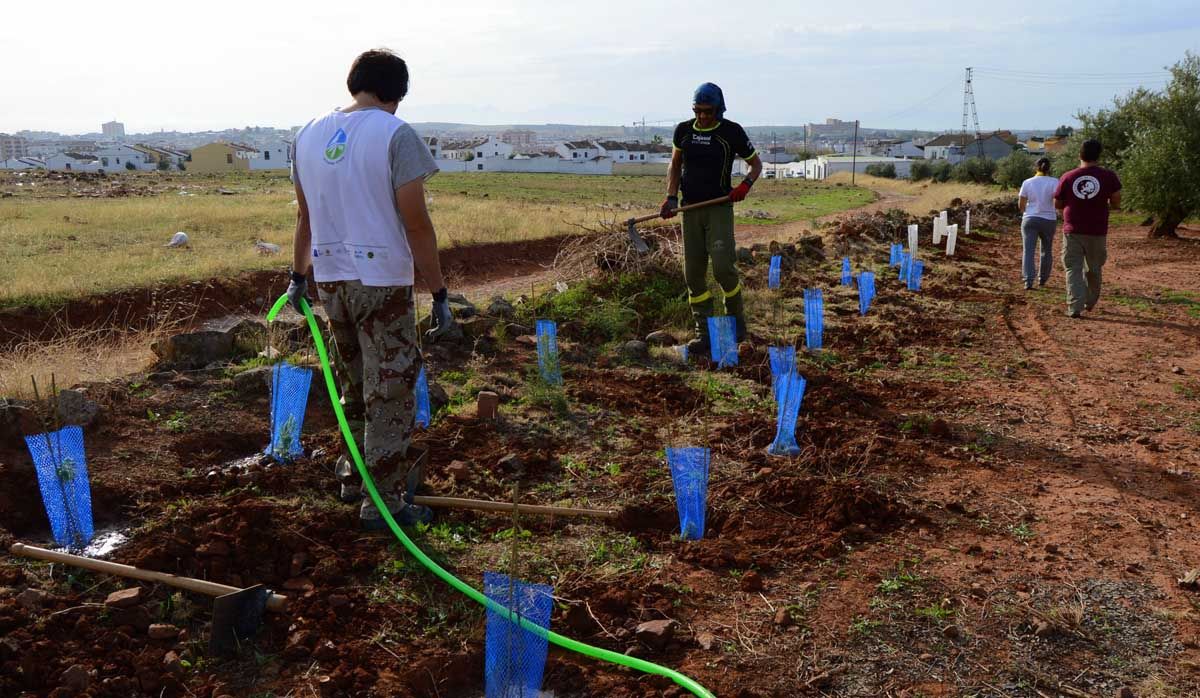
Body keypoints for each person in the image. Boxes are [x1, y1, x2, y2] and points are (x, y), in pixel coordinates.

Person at [287, 48, 458, 530]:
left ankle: (352, 477)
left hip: (330, 277)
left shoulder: (307, 135)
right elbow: (417, 226)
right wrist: (440, 293)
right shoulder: (395, 134)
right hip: (381, 282)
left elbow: (305, 219)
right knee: (391, 388)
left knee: (353, 382)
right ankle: (384, 505)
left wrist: (297, 277)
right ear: (396, 94)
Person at [662, 83, 763, 355]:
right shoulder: (683, 131)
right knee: (693, 274)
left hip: (719, 208)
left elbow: (756, 164)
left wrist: (745, 186)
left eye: (708, 111)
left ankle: (737, 326)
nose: (702, 116)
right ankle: (703, 333)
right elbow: (675, 164)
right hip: (690, 209)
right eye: (698, 111)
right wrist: (671, 197)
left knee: (722, 268)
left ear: (719, 109)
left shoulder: (731, 132)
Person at [1054, 139, 1121, 318]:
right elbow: (1116, 200)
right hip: (1097, 231)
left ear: (1079, 154)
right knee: (1094, 268)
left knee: (1072, 268)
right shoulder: (1109, 176)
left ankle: (1074, 307)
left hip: (1072, 230)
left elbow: (1058, 203)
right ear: (1099, 155)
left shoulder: (1067, 177)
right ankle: (1089, 301)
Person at [1017, 157, 1058, 290]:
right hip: (1049, 219)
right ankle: (1042, 279)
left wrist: (1026, 212)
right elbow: (1058, 202)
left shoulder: (1027, 182)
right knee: (1046, 250)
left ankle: (1028, 281)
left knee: (1028, 251)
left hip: (1030, 219)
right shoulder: (1055, 182)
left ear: (1036, 167)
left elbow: (1021, 204)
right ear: (1049, 168)